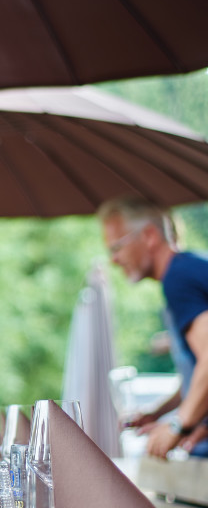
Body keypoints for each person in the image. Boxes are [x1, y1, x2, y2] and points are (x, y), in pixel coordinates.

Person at [97, 196, 208, 459]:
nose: (114, 260)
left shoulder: (178, 279)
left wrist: (178, 424)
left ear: (148, 235)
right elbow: (196, 376)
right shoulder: (189, 269)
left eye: (117, 247)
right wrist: (159, 413)